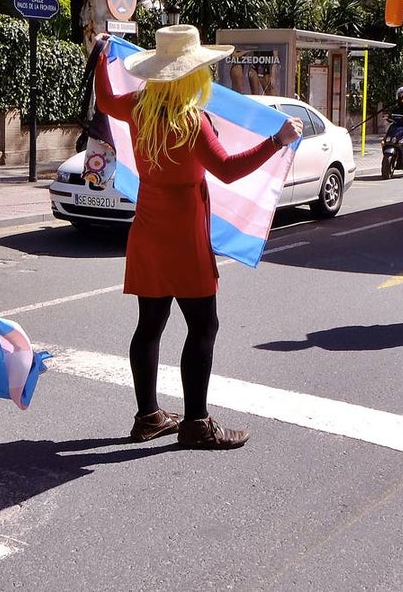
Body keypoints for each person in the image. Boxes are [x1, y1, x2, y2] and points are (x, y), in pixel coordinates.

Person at [94, 26, 302, 449]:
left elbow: (105, 99)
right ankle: (196, 424)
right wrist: (277, 141)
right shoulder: (194, 121)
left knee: (149, 325)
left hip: (148, 229)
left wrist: (101, 56)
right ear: (194, 75)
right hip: (184, 234)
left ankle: (148, 416)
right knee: (203, 326)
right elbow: (227, 168)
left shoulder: (138, 107)